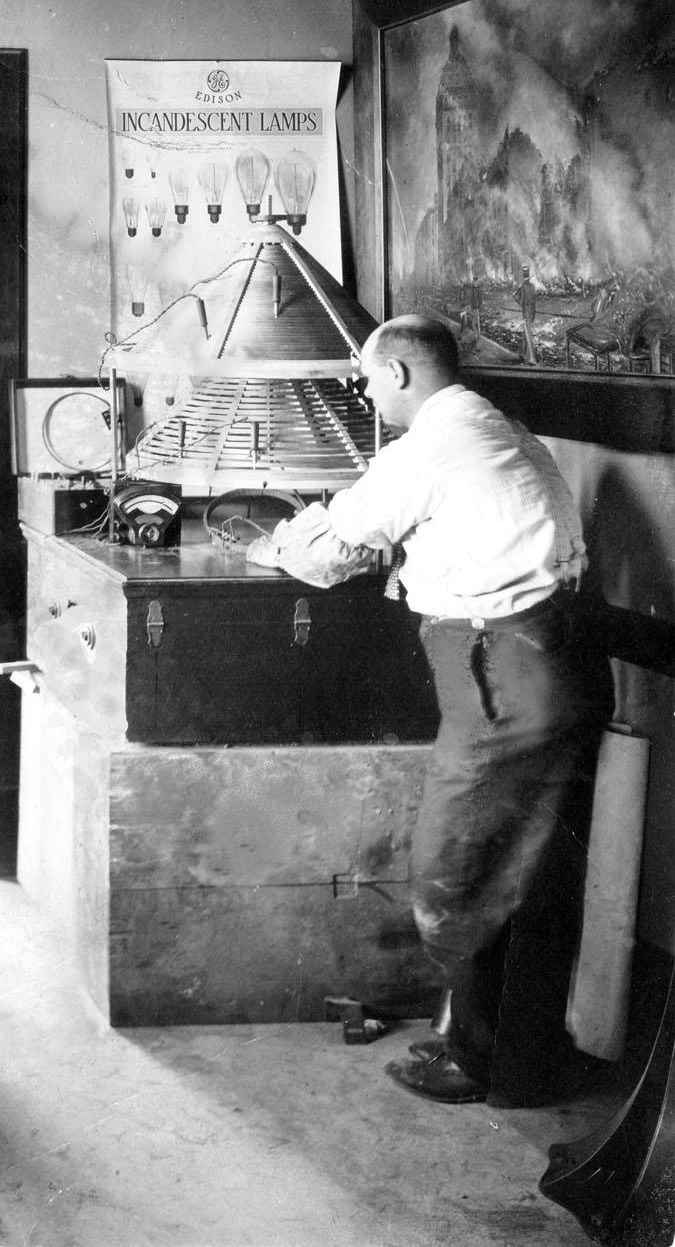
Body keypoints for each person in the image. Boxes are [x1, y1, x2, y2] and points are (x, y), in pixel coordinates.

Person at [245, 313, 611, 1108]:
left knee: (456, 874)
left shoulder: (432, 445)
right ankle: (524, 1061)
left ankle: (480, 1062)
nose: (367, 390)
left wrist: (269, 544)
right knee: (536, 875)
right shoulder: (496, 427)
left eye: (370, 377)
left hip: (503, 684)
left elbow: (330, 549)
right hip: (555, 667)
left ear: (402, 374)